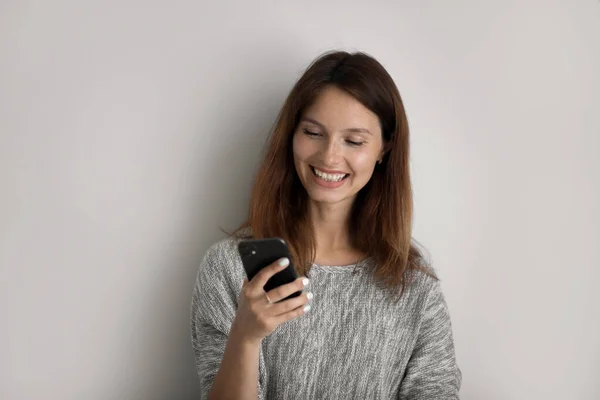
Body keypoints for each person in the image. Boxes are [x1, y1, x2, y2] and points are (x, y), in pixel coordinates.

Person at [190, 50, 462, 399]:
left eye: (354, 141)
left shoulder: (413, 287)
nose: (329, 156)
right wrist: (246, 336)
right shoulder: (230, 270)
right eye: (313, 133)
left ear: (384, 149)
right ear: (292, 134)